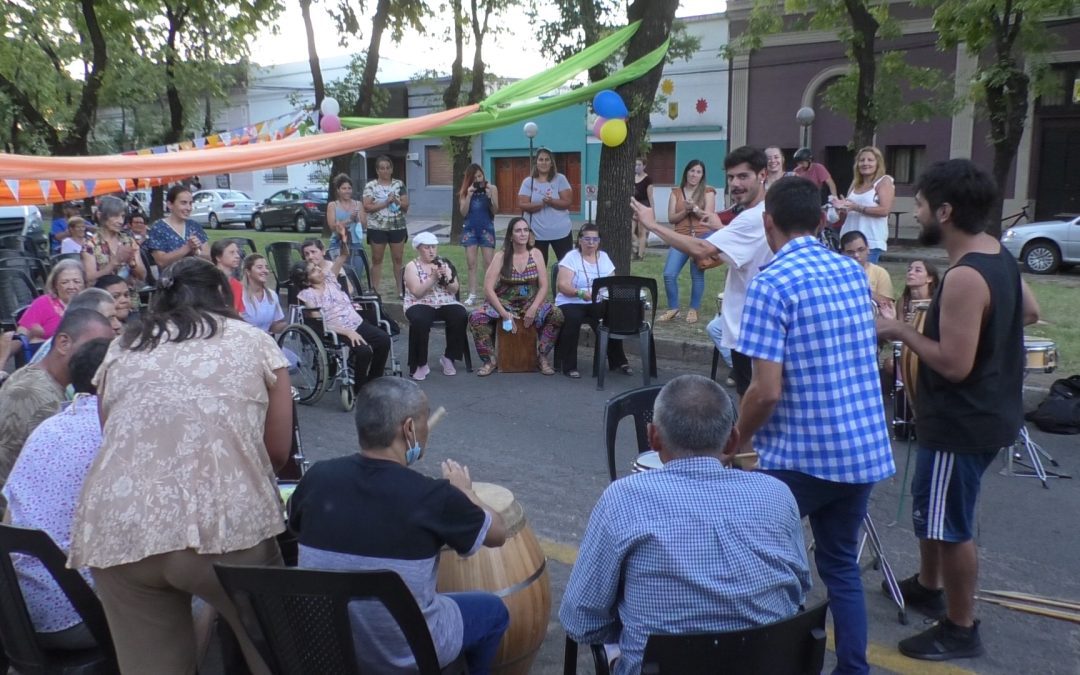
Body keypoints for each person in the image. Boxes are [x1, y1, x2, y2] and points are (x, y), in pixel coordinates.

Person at [68, 257, 294, 674]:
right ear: (226, 297)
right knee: (276, 655)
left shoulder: (124, 346)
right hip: (225, 524)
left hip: (120, 526)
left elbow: (113, 435)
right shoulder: (254, 341)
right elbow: (278, 453)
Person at [876, 159, 1040, 662]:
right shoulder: (997, 255)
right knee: (933, 501)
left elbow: (953, 364)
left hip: (962, 421)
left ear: (944, 211)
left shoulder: (967, 276)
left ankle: (961, 625)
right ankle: (928, 584)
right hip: (987, 413)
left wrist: (901, 329)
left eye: (922, 205)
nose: (918, 212)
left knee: (950, 525)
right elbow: (1028, 310)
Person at [734, 176, 895, 675]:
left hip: (802, 458)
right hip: (861, 450)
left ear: (768, 222)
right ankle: (853, 669)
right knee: (841, 568)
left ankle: (770, 662)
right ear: (824, 219)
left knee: (761, 563)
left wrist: (733, 441)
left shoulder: (771, 282)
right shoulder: (851, 272)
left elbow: (766, 390)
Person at [560, 375, 811, 675]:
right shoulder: (777, 494)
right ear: (733, 440)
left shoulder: (622, 499)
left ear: (653, 439)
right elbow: (799, 592)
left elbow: (581, 622)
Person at [288, 378, 509, 675]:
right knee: (493, 612)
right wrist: (467, 493)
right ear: (408, 429)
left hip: (331, 649)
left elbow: (296, 528)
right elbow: (498, 533)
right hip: (408, 653)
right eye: (423, 421)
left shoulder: (317, 478)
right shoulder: (436, 497)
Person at [632, 146, 773, 395]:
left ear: (762, 175)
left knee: (754, 409)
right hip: (750, 327)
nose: (736, 184)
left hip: (751, 331)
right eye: (731, 178)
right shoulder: (759, 212)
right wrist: (720, 227)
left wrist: (652, 224)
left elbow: (702, 250)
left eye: (743, 176)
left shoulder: (753, 217)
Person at [1, 338, 110, 650]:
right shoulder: (111, 434)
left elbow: (10, 516)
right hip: (75, 617)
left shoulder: (49, 427)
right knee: (197, 591)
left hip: (17, 615)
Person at [0, 309, 115, 510]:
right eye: (94, 347)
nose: (102, 358)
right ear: (63, 343)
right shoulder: (40, 397)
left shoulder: (35, 376)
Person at [468, 217, 564, 377]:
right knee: (476, 317)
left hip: (531, 302)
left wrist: (533, 308)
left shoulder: (536, 254)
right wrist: (504, 314)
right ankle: (490, 360)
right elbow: (488, 288)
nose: (523, 234)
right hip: (504, 303)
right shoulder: (501, 256)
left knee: (557, 315)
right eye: (518, 230)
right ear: (510, 235)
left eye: (526, 230)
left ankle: (542, 357)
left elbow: (544, 285)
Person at [290, 245, 391, 391]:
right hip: (336, 330)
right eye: (313, 270)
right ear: (306, 281)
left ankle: (373, 380)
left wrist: (343, 239)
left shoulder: (330, 278)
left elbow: (344, 254)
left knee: (383, 340)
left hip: (356, 322)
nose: (318, 269)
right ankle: (360, 388)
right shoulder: (308, 295)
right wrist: (347, 332)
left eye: (317, 267)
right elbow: (319, 322)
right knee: (364, 351)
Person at [554, 222, 629, 379]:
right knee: (573, 318)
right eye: (587, 239)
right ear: (580, 240)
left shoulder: (604, 257)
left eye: (595, 240)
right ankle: (568, 366)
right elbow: (562, 286)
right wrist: (581, 294)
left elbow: (611, 282)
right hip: (572, 300)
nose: (591, 243)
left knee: (609, 318)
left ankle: (618, 361)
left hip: (596, 300)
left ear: (599, 241)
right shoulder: (571, 257)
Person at [659, 159, 718, 324]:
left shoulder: (708, 191)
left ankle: (694, 309)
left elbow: (709, 217)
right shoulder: (676, 192)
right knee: (669, 274)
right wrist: (685, 210)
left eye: (698, 172)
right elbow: (671, 218)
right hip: (680, 237)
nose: (694, 175)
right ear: (686, 172)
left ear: (702, 175)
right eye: (692, 171)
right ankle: (673, 309)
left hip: (701, 237)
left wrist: (696, 209)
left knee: (697, 274)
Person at [403, 232, 468, 381]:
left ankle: (449, 357)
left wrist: (447, 279)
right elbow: (417, 293)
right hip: (420, 302)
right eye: (427, 248)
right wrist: (432, 279)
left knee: (460, 315)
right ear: (419, 249)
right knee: (420, 320)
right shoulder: (412, 266)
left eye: (433, 247)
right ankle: (420, 363)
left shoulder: (444, 263)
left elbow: (454, 289)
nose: (431, 251)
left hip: (444, 301)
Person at [82, 195, 146, 313]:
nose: (120, 221)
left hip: (130, 304)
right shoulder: (91, 245)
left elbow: (143, 276)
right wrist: (113, 264)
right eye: (115, 216)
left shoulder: (128, 241)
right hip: (103, 305)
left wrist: (132, 263)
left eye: (122, 216)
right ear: (101, 216)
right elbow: (89, 279)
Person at [28, 288, 120, 365]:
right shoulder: (71, 347)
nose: (118, 325)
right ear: (87, 320)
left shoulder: (81, 340)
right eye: (110, 318)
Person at [834, 146, 894, 263]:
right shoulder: (855, 183)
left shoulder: (884, 181)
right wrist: (840, 208)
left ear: (878, 163)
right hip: (848, 239)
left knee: (866, 277)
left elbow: (884, 210)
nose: (865, 163)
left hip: (870, 240)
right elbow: (848, 210)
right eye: (862, 160)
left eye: (870, 160)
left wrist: (856, 207)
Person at [517, 148, 574, 264]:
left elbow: (567, 202)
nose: (544, 162)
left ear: (552, 163)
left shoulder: (560, 179)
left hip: (561, 231)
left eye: (547, 160)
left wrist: (552, 201)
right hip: (536, 233)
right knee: (538, 267)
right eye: (541, 159)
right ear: (536, 163)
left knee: (566, 265)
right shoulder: (528, 182)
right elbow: (522, 204)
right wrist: (542, 204)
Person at [363, 155, 410, 293]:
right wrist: (385, 203)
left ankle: (400, 289)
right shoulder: (371, 186)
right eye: (382, 168)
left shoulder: (399, 184)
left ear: (391, 169)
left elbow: (406, 206)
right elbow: (367, 207)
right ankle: (375, 289)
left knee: (398, 258)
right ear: (377, 171)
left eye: (388, 168)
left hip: (397, 226)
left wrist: (396, 201)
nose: (385, 171)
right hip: (377, 227)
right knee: (377, 258)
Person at [17, 259, 87, 345]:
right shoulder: (43, 302)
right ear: (55, 285)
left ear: (84, 283)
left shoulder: (93, 303)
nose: (71, 286)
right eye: (64, 282)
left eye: (77, 282)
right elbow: (23, 330)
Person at [458, 164, 498, 305]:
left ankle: (489, 294)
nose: (478, 180)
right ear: (469, 179)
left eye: (480, 176)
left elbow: (495, 210)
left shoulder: (491, 188)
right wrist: (468, 195)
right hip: (470, 230)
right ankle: (472, 293)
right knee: (471, 264)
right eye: (474, 177)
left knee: (489, 263)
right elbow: (463, 212)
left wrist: (489, 197)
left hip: (486, 228)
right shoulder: (465, 191)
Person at [146, 184, 209, 268]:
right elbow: (161, 261)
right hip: (172, 278)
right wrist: (187, 248)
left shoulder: (194, 226)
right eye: (183, 203)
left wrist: (196, 252)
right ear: (170, 205)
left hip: (196, 276)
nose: (188, 208)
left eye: (190, 203)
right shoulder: (159, 228)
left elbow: (209, 256)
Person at [327, 173, 367, 282]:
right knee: (340, 275)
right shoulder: (333, 205)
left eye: (349, 188)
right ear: (338, 190)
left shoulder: (358, 204)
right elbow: (332, 227)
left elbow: (364, 225)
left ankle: (353, 296)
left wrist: (358, 219)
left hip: (356, 243)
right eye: (344, 188)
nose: (347, 191)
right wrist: (349, 220)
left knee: (356, 275)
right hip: (337, 244)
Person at [840, 230, 894, 307]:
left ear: (868, 249)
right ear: (843, 253)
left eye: (861, 250)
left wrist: (862, 290)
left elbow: (888, 305)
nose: (856, 255)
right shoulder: (838, 275)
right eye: (850, 252)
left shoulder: (879, 273)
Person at [239, 254, 287, 334]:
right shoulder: (239, 294)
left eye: (266, 267)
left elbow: (273, 327)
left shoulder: (272, 295)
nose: (265, 271)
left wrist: (290, 324)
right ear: (248, 271)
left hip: (266, 342)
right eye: (260, 267)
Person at [210, 239, 246, 313]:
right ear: (218, 257)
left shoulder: (238, 286)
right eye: (232, 252)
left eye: (237, 252)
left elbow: (238, 314)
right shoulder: (208, 282)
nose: (237, 256)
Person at [632, 157, 654, 261]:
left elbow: (650, 196)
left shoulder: (648, 179)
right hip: (633, 205)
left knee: (642, 232)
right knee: (630, 231)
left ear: (644, 166)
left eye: (639, 165)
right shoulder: (632, 178)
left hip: (644, 206)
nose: (637, 167)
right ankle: (636, 246)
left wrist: (652, 211)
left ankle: (640, 255)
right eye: (635, 165)